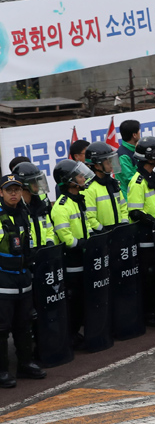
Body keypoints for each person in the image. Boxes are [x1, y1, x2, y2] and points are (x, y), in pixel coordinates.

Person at [0, 174, 45, 388]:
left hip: (23, 279)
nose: (14, 194)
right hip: (3, 282)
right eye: (9, 190)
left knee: (24, 325)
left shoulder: (23, 212)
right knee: (1, 329)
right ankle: (1, 372)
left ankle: (25, 364)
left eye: (17, 189)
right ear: (1, 192)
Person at [51, 159, 96, 345]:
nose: (83, 177)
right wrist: (86, 243)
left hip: (84, 255)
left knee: (83, 298)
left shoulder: (78, 200)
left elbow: (86, 226)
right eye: (79, 175)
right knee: (74, 300)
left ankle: (76, 332)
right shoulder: (62, 206)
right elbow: (67, 239)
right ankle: (70, 335)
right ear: (70, 181)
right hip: (72, 260)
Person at [127, 137, 155, 322]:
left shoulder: (151, 177)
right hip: (145, 236)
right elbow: (135, 212)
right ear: (150, 157)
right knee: (149, 276)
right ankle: (149, 312)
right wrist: (152, 221)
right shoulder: (137, 182)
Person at [83, 141, 129, 231]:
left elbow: (123, 207)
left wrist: (124, 224)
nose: (112, 165)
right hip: (102, 235)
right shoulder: (88, 188)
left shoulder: (113, 183)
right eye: (108, 162)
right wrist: (103, 231)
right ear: (97, 166)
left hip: (119, 231)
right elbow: (89, 217)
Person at [12, 162, 55, 249]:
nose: (38, 185)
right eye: (34, 181)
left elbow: (49, 229)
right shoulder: (15, 208)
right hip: (25, 258)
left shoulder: (40, 205)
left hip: (43, 254)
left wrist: (49, 243)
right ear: (24, 185)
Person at [116, 118, 141, 196]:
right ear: (134, 135)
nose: (140, 133)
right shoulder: (123, 156)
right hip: (129, 198)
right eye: (139, 131)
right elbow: (129, 179)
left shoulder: (136, 149)